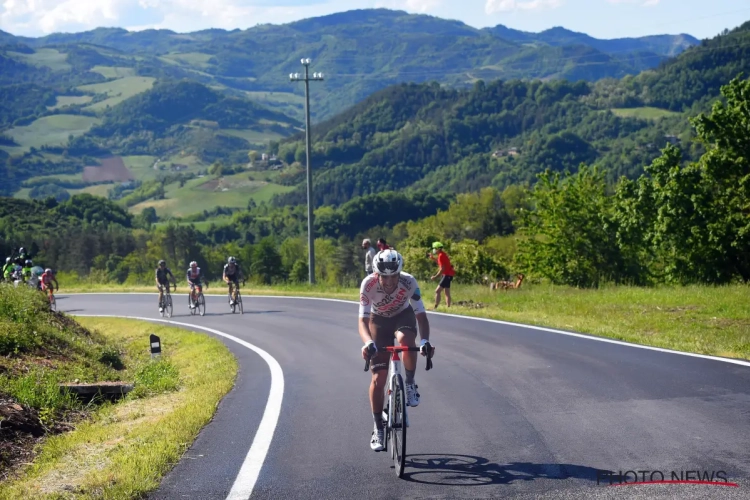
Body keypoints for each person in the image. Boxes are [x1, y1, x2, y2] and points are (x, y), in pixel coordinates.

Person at [359, 249, 434, 451]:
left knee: (407, 341)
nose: (390, 282)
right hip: (378, 321)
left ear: (400, 273)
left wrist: (425, 340)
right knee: (378, 378)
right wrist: (367, 343)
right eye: (385, 277)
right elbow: (363, 320)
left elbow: (421, 316)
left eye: (394, 276)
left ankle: (409, 383)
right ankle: (378, 428)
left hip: (403, 316)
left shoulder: (409, 282)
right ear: (377, 274)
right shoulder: (368, 284)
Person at [428, 242, 455, 309]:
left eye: (434, 248)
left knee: (437, 291)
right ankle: (448, 307)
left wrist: (435, 276)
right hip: (448, 275)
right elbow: (441, 263)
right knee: (447, 292)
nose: (433, 250)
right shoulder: (442, 255)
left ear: (437, 249)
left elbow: (442, 268)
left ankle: (435, 307)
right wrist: (433, 258)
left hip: (446, 275)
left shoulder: (441, 256)